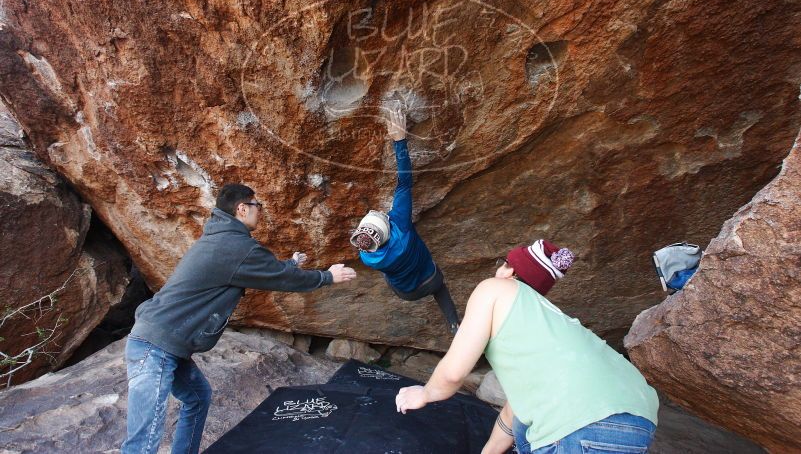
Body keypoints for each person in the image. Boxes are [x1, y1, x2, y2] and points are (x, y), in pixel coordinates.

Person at [122, 184, 357, 454]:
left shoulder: (223, 239)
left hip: (167, 343)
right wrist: (327, 277)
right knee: (143, 441)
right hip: (156, 346)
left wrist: (290, 263)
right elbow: (279, 278)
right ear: (242, 209)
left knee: (198, 398)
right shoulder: (234, 245)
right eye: (257, 206)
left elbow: (266, 270)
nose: (260, 211)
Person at [395, 241, 659, 454]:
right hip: (638, 421)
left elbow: (454, 372)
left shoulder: (495, 289)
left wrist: (426, 393)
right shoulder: (552, 327)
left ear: (509, 272)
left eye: (502, 264)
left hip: (579, 425)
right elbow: (516, 412)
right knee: (527, 428)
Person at [349, 107, 460, 334]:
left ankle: (454, 325)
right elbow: (404, 183)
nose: (378, 211)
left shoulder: (367, 256)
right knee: (440, 290)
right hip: (430, 278)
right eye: (380, 216)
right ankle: (454, 325)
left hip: (405, 292)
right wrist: (399, 140)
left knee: (395, 276)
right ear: (388, 229)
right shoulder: (400, 225)